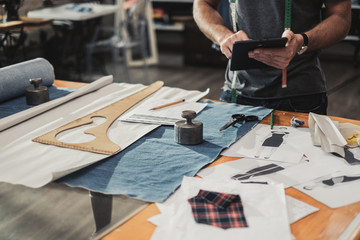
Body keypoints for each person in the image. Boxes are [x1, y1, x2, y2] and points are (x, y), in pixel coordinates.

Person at [193, 0, 351, 114]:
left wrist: (303, 41)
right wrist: (221, 35)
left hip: (299, 96)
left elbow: (341, 15)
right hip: (236, 92)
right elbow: (202, 3)